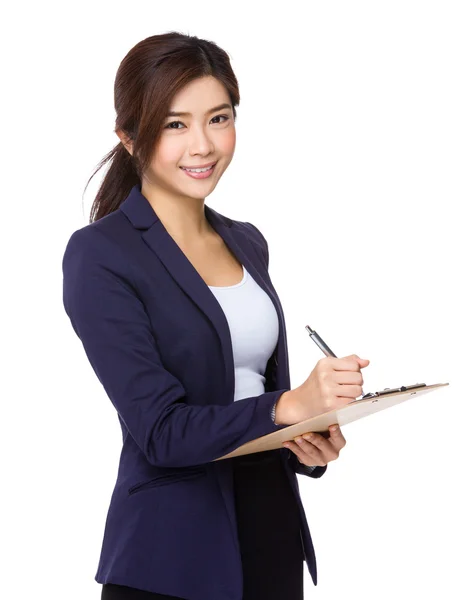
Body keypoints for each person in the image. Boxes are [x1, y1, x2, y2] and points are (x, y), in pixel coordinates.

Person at [62, 32, 370, 600]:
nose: (202, 145)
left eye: (218, 118)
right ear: (129, 137)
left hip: (270, 533)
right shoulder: (101, 254)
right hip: (171, 558)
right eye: (174, 124)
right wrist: (288, 405)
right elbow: (159, 431)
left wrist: (307, 436)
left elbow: (256, 396)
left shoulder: (247, 242)